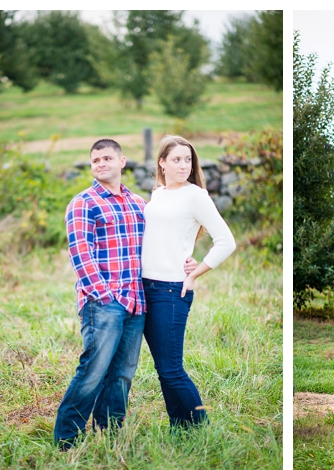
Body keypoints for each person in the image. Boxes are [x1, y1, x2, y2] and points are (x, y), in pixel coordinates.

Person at [54, 138, 196, 450]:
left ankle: (110, 434)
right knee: (93, 371)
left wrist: (186, 260)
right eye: (95, 161)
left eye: (107, 158)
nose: (101, 164)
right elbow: (81, 255)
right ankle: (67, 440)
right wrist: (105, 296)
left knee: (122, 375)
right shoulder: (83, 203)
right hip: (103, 302)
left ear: (122, 162)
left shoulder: (138, 204)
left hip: (137, 302)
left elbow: (159, 245)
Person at [141, 135, 236, 428]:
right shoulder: (157, 194)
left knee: (172, 370)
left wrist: (195, 272)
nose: (183, 165)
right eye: (176, 159)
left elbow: (226, 241)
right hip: (145, 288)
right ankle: (180, 428)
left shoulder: (196, 195)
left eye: (187, 160)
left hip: (171, 290)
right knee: (162, 368)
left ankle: (202, 426)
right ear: (162, 162)